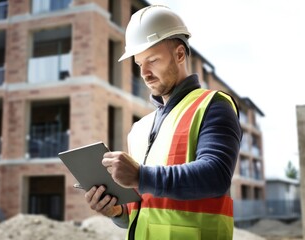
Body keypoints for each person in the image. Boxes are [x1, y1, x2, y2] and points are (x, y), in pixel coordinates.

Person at [84, 5, 242, 240]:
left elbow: (216, 175)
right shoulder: (139, 129)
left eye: (153, 60)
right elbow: (145, 209)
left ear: (179, 55)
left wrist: (141, 176)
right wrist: (117, 211)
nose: (144, 73)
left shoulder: (213, 105)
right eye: (139, 64)